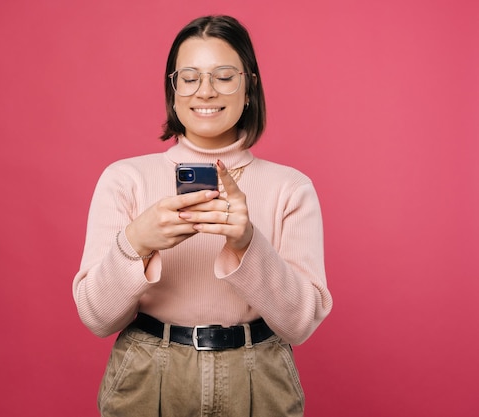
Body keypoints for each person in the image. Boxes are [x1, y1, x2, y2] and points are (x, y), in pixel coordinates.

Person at [72, 15, 333, 417]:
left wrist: (247, 242)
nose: (205, 90)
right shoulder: (125, 179)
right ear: (173, 90)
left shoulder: (291, 188)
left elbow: (300, 325)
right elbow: (96, 318)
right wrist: (136, 242)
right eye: (189, 76)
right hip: (147, 374)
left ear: (249, 87)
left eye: (224, 75)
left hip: (258, 374)